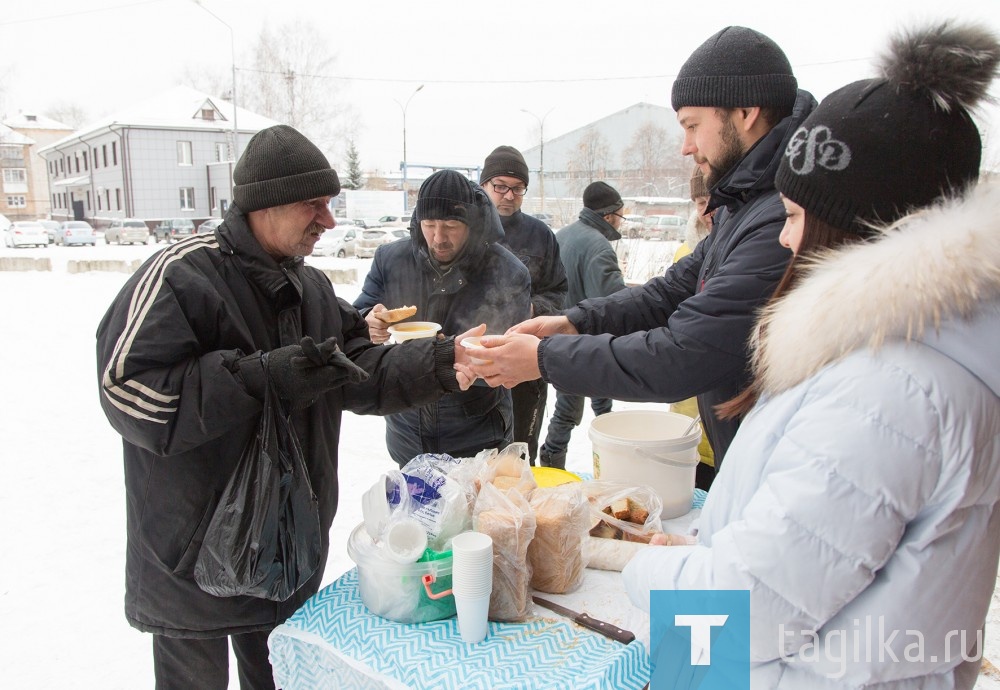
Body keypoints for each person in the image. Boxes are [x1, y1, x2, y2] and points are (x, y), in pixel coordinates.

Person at [622, 22, 1000, 687]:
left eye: (795, 217)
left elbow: (750, 606)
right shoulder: (899, 356)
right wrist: (711, 552)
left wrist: (647, 567)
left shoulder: (892, 390)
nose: (786, 241)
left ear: (859, 228)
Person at [96, 125, 478, 689]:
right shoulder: (182, 276)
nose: (327, 220)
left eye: (328, 205)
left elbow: (358, 372)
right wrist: (261, 378)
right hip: (192, 554)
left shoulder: (313, 290)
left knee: (277, 677)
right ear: (264, 204)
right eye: (313, 205)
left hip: (286, 546)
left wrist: (444, 362)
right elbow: (129, 392)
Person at [464, 27, 816, 478]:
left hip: (780, 470)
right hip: (748, 459)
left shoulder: (779, 218)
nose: (686, 146)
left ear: (746, 112)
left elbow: (684, 353)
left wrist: (542, 358)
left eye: (692, 125)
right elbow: (668, 293)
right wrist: (574, 322)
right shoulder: (744, 203)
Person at [353, 169, 531, 467]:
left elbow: (507, 360)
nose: (438, 237)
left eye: (451, 225)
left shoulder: (508, 272)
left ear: (471, 223)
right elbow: (358, 320)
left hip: (477, 433)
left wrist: (444, 356)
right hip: (407, 427)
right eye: (429, 224)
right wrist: (366, 322)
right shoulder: (391, 260)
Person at [479, 145, 568, 465]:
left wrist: (534, 310)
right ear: (483, 185)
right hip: (472, 358)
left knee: (520, 448)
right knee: (475, 452)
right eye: (500, 186)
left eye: (517, 188)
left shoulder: (540, 234)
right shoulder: (464, 229)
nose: (509, 195)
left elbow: (558, 291)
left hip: (525, 358)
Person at [537, 181, 626, 469]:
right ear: (609, 215)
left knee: (571, 402)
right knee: (578, 407)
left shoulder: (562, 235)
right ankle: (609, 462)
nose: (620, 222)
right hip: (590, 343)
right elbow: (614, 303)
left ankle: (552, 461)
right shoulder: (599, 247)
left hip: (558, 336)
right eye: (621, 215)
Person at [671, 165, 716, 488]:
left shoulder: (750, 253)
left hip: (728, 412)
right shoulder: (686, 252)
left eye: (713, 199)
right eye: (700, 202)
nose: (707, 211)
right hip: (687, 407)